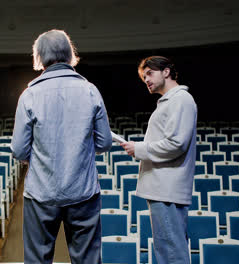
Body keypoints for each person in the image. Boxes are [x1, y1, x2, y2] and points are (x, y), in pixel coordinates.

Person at [11, 29, 113, 264]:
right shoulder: (90, 90)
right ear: (69, 54)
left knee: (37, 259)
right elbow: (105, 142)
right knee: (87, 259)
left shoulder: (30, 94)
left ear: (40, 56)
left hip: (41, 192)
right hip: (83, 191)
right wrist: (80, 151)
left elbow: (18, 149)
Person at [120, 56, 197, 264]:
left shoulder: (181, 99)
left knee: (172, 253)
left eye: (150, 73)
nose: (146, 79)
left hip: (167, 190)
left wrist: (139, 149)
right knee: (167, 251)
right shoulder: (171, 101)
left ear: (166, 72)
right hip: (163, 189)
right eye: (143, 77)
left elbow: (176, 144)